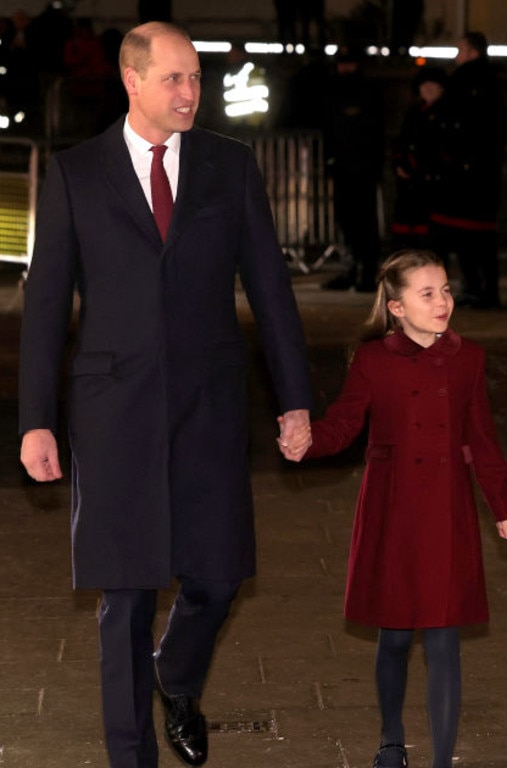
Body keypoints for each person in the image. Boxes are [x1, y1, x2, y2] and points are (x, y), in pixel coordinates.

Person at [18, 21, 313, 768]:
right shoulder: (75, 173)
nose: (191, 93)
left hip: (210, 405)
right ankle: (131, 756)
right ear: (132, 80)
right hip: (112, 410)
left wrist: (296, 398)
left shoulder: (230, 165)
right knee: (124, 595)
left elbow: (271, 292)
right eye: (174, 79)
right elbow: (47, 307)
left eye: (196, 79)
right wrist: (35, 422)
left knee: (216, 577)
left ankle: (175, 674)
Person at [280, 249, 507, 768]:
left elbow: (481, 438)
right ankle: (391, 737)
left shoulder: (468, 359)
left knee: (443, 639)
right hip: (393, 510)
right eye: (427, 293)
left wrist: (502, 502)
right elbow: (344, 425)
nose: (442, 302)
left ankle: (442, 760)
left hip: (447, 510)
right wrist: (308, 441)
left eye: (446, 290)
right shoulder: (373, 361)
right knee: (393, 636)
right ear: (396, 307)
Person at [430, 31, 505, 309]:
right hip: (478, 173)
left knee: (470, 238)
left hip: (466, 174)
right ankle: (481, 288)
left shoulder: (467, 82)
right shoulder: (487, 81)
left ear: (472, 51)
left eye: (460, 49)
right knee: (475, 238)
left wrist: (452, 157)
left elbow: (461, 126)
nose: (456, 55)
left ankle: (478, 287)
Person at [321, 47, 387, 292]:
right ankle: (351, 269)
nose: (344, 68)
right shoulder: (334, 91)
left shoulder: (366, 92)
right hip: (344, 166)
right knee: (346, 220)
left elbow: (374, 131)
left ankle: (366, 272)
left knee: (364, 222)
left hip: (362, 168)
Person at [390, 66, 446, 251]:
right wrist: (400, 163)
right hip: (409, 186)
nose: (428, 87)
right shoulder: (414, 113)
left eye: (433, 84)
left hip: (431, 186)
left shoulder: (445, 114)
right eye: (424, 84)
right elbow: (402, 141)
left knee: (430, 242)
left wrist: (415, 165)